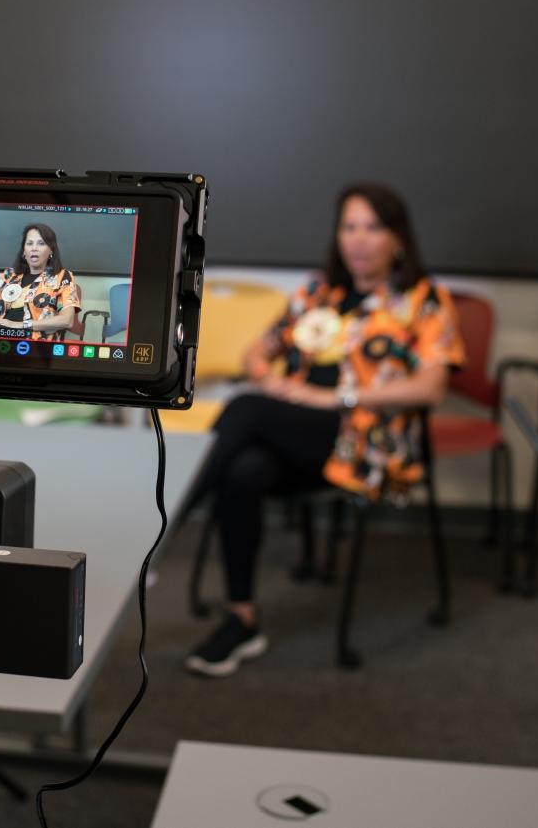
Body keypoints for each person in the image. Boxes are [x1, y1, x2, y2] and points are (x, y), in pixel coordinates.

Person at [183, 183, 465, 678]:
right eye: (348, 227)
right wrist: (271, 378)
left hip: (362, 442)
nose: (358, 240)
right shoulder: (318, 292)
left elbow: (431, 388)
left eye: (372, 228)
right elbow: (258, 351)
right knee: (244, 470)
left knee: (248, 409)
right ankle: (242, 619)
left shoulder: (423, 300)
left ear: (397, 238)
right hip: (295, 434)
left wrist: (337, 398)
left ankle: (162, 527)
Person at [0, 223, 82, 340]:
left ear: (51, 250)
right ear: (24, 250)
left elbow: (67, 320)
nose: (34, 248)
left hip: (32, 339)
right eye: (29, 243)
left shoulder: (63, 276)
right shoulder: (9, 275)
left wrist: (19, 325)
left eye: (41, 243)